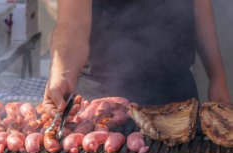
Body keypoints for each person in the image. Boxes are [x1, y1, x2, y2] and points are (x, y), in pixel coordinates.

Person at [43, 0, 231, 116]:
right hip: (102, 104)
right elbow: (72, 23)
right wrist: (62, 73)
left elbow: (201, 8)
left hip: (177, 96)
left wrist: (217, 77)